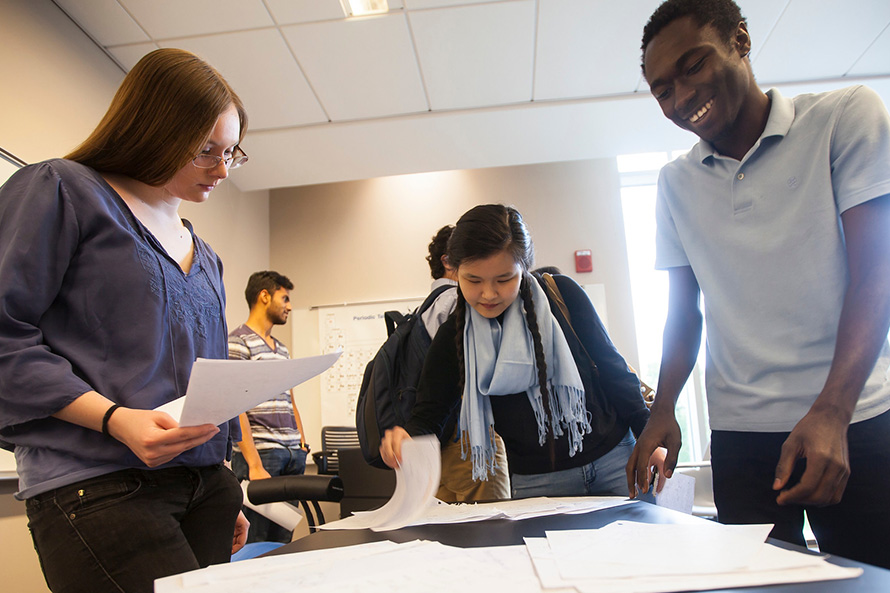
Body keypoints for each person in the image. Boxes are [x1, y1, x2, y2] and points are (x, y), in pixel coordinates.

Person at [626, 0, 890, 569]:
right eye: (662, 90)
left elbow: (878, 273)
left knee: (872, 576)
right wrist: (664, 407)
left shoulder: (846, 117)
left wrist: (833, 411)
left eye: (693, 66)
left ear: (741, 42)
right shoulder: (674, 183)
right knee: (755, 584)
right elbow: (684, 310)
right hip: (741, 432)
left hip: (855, 416)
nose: (680, 97)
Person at [0, 48, 251, 592]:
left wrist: (220, 481)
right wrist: (116, 418)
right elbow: (4, 336)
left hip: (204, 490)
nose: (223, 169)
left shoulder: (205, 257)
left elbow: (205, 383)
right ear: (153, 130)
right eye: (205, 150)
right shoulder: (65, 191)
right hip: (99, 485)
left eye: (232, 152)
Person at [381, 204, 663, 498]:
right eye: (473, 280)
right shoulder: (453, 336)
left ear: (524, 266)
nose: (489, 294)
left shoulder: (563, 295)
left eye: (504, 279)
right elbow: (430, 415)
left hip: (616, 461)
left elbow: (613, 370)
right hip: (534, 483)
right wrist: (407, 439)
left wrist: (649, 436)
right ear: (453, 269)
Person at [421, 225, 510, 502]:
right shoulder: (454, 303)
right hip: (468, 440)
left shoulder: (425, 305)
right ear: (449, 261)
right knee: (493, 528)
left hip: (441, 443)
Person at [230, 270, 310, 543]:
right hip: (262, 458)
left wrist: (301, 443)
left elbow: (290, 399)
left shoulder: (282, 349)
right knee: (257, 542)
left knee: (283, 542)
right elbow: (235, 405)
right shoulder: (238, 342)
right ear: (264, 296)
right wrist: (253, 463)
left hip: (291, 456)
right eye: (284, 298)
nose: (289, 306)